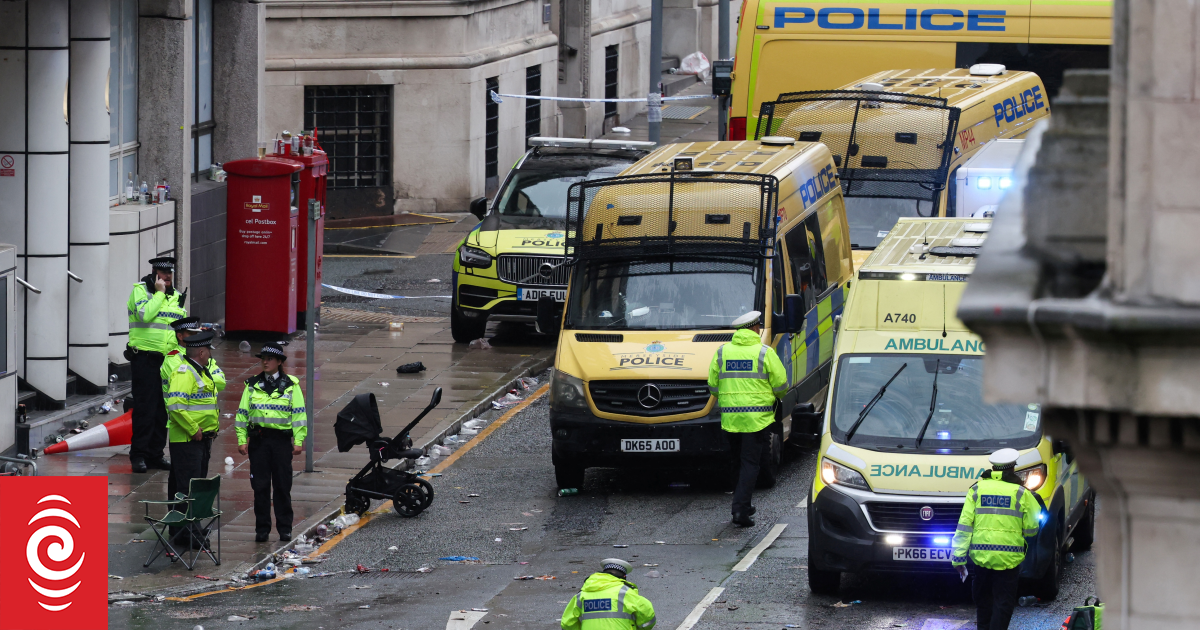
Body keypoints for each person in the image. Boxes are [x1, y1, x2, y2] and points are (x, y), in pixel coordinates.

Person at [707, 310, 787, 527]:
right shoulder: (764, 352)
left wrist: (728, 399)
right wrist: (774, 396)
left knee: (737, 462)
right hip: (756, 419)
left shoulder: (722, 352)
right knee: (751, 464)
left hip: (730, 419)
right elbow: (781, 384)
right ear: (755, 328)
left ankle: (743, 503)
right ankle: (740, 510)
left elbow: (713, 385)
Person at [951, 448, 1042, 630]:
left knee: (983, 603)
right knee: (1003, 604)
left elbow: (964, 527)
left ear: (993, 468)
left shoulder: (976, 490)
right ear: (1013, 468)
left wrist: (958, 559)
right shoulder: (1021, 493)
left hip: (981, 559)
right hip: (1009, 561)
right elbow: (1031, 529)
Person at [235, 342, 307, 543]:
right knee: (260, 487)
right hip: (259, 441)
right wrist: (241, 439)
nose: (265, 362)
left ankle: (285, 528)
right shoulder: (252, 385)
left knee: (282, 486)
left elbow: (299, 414)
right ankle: (262, 529)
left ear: (279, 362)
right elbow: (242, 414)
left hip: (281, 442)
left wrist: (298, 440)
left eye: (270, 359)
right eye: (263, 359)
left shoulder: (291, 385)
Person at [126, 256, 187, 473]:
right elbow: (145, 315)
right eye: (163, 272)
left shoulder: (177, 296)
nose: (167, 276)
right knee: (145, 409)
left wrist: (180, 357)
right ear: (154, 273)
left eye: (170, 272)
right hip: (145, 358)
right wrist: (160, 293)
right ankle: (139, 455)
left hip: (168, 361)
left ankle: (156, 454)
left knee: (163, 410)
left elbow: (179, 332)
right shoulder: (140, 291)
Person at [163, 330, 224, 547]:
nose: (210, 355)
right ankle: (191, 534)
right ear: (201, 352)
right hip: (188, 440)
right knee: (189, 489)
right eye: (208, 351)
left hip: (200, 440)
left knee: (190, 486)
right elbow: (175, 406)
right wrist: (193, 429)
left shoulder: (200, 372)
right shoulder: (184, 373)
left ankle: (183, 531)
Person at [560, 558, 656, 630]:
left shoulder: (582, 594)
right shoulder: (627, 592)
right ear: (623, 576)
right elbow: (648, 618)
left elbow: (567, 624)